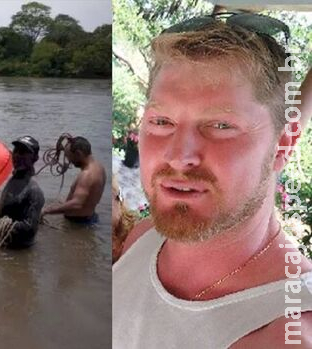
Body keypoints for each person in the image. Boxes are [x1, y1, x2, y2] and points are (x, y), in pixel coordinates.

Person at [113, 14, 312, 348]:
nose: (178, 156)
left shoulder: (283, 333)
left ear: (285, 144)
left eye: (221, 125)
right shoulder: (142, 238)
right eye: (162, 121)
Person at [0, 136, 45, 249]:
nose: (17, 156)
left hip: (18, 250)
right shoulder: (14, 179)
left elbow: (29, 229)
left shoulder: (34, 191)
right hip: (1, 243)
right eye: (16, 151)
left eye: (23, 152)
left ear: (35, 158)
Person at [41, 136, 106, 224]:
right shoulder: (99, 167)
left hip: (78, 223)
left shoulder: (86, 175)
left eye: (69, 157)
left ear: (78, 154)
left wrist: (47, 210)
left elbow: (76, 204)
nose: (69, 161)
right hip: (90, 217)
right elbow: (87, 198)